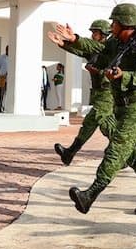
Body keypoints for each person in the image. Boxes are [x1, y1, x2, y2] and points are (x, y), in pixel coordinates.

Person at [68, 3, 136, 216]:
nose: (111, 26)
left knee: (117, 148)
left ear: (124, 24)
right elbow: (98, 51)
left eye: (114, 22)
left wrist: (124, 75)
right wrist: (72, 42)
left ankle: (90, 194)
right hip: (119, 105)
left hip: (135, 106)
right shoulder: (116, 43)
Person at [48, 19, 112, 165]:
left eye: (95, 33)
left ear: (103, 34)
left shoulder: (108, 49)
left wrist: (97, 71)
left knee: (104, 124)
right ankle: (70, 153)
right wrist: (63, 43)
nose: (92, 35)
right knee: (90, 124)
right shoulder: (95, 49)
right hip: (98, 92)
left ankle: (125, 152)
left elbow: (109, 70)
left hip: (107, 92)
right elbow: (81, 50)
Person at [0, 46, 10, 112]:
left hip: (11, 78)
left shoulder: (13, 57)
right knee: (1, 93)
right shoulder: (1, 57)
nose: (8, 50)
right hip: (3, 77)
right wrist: (2, 74)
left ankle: (6, 106)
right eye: (7, 49)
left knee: (8, 93)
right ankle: (0, 106)